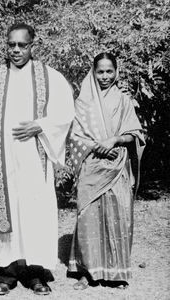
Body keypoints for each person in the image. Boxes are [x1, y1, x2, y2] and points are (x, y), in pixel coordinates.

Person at [0, 22, 74, 296]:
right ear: (6, 45)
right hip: (1, 163)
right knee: (4, 213)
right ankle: (6, 272)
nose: (16, 50)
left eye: (22, 45)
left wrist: (40, 125)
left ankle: (34, 274)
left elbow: (66, 113)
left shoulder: (50, 78)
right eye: (11, 45)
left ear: (33, 45)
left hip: (34, 159)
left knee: (34, 214)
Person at [68, 52, 145, 290]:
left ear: (116, 72)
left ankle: (116, 273)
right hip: (92, 165)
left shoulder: (123, 101)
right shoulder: (82, 102)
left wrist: (113, 140)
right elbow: (74, 136)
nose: (104, 76)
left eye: (109, 71)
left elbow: (136, 133)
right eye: (100, 71)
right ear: (93, 72)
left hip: (117, 165)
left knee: (118, 215)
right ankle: (87, 272)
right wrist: (97, 147)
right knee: (88, 217)